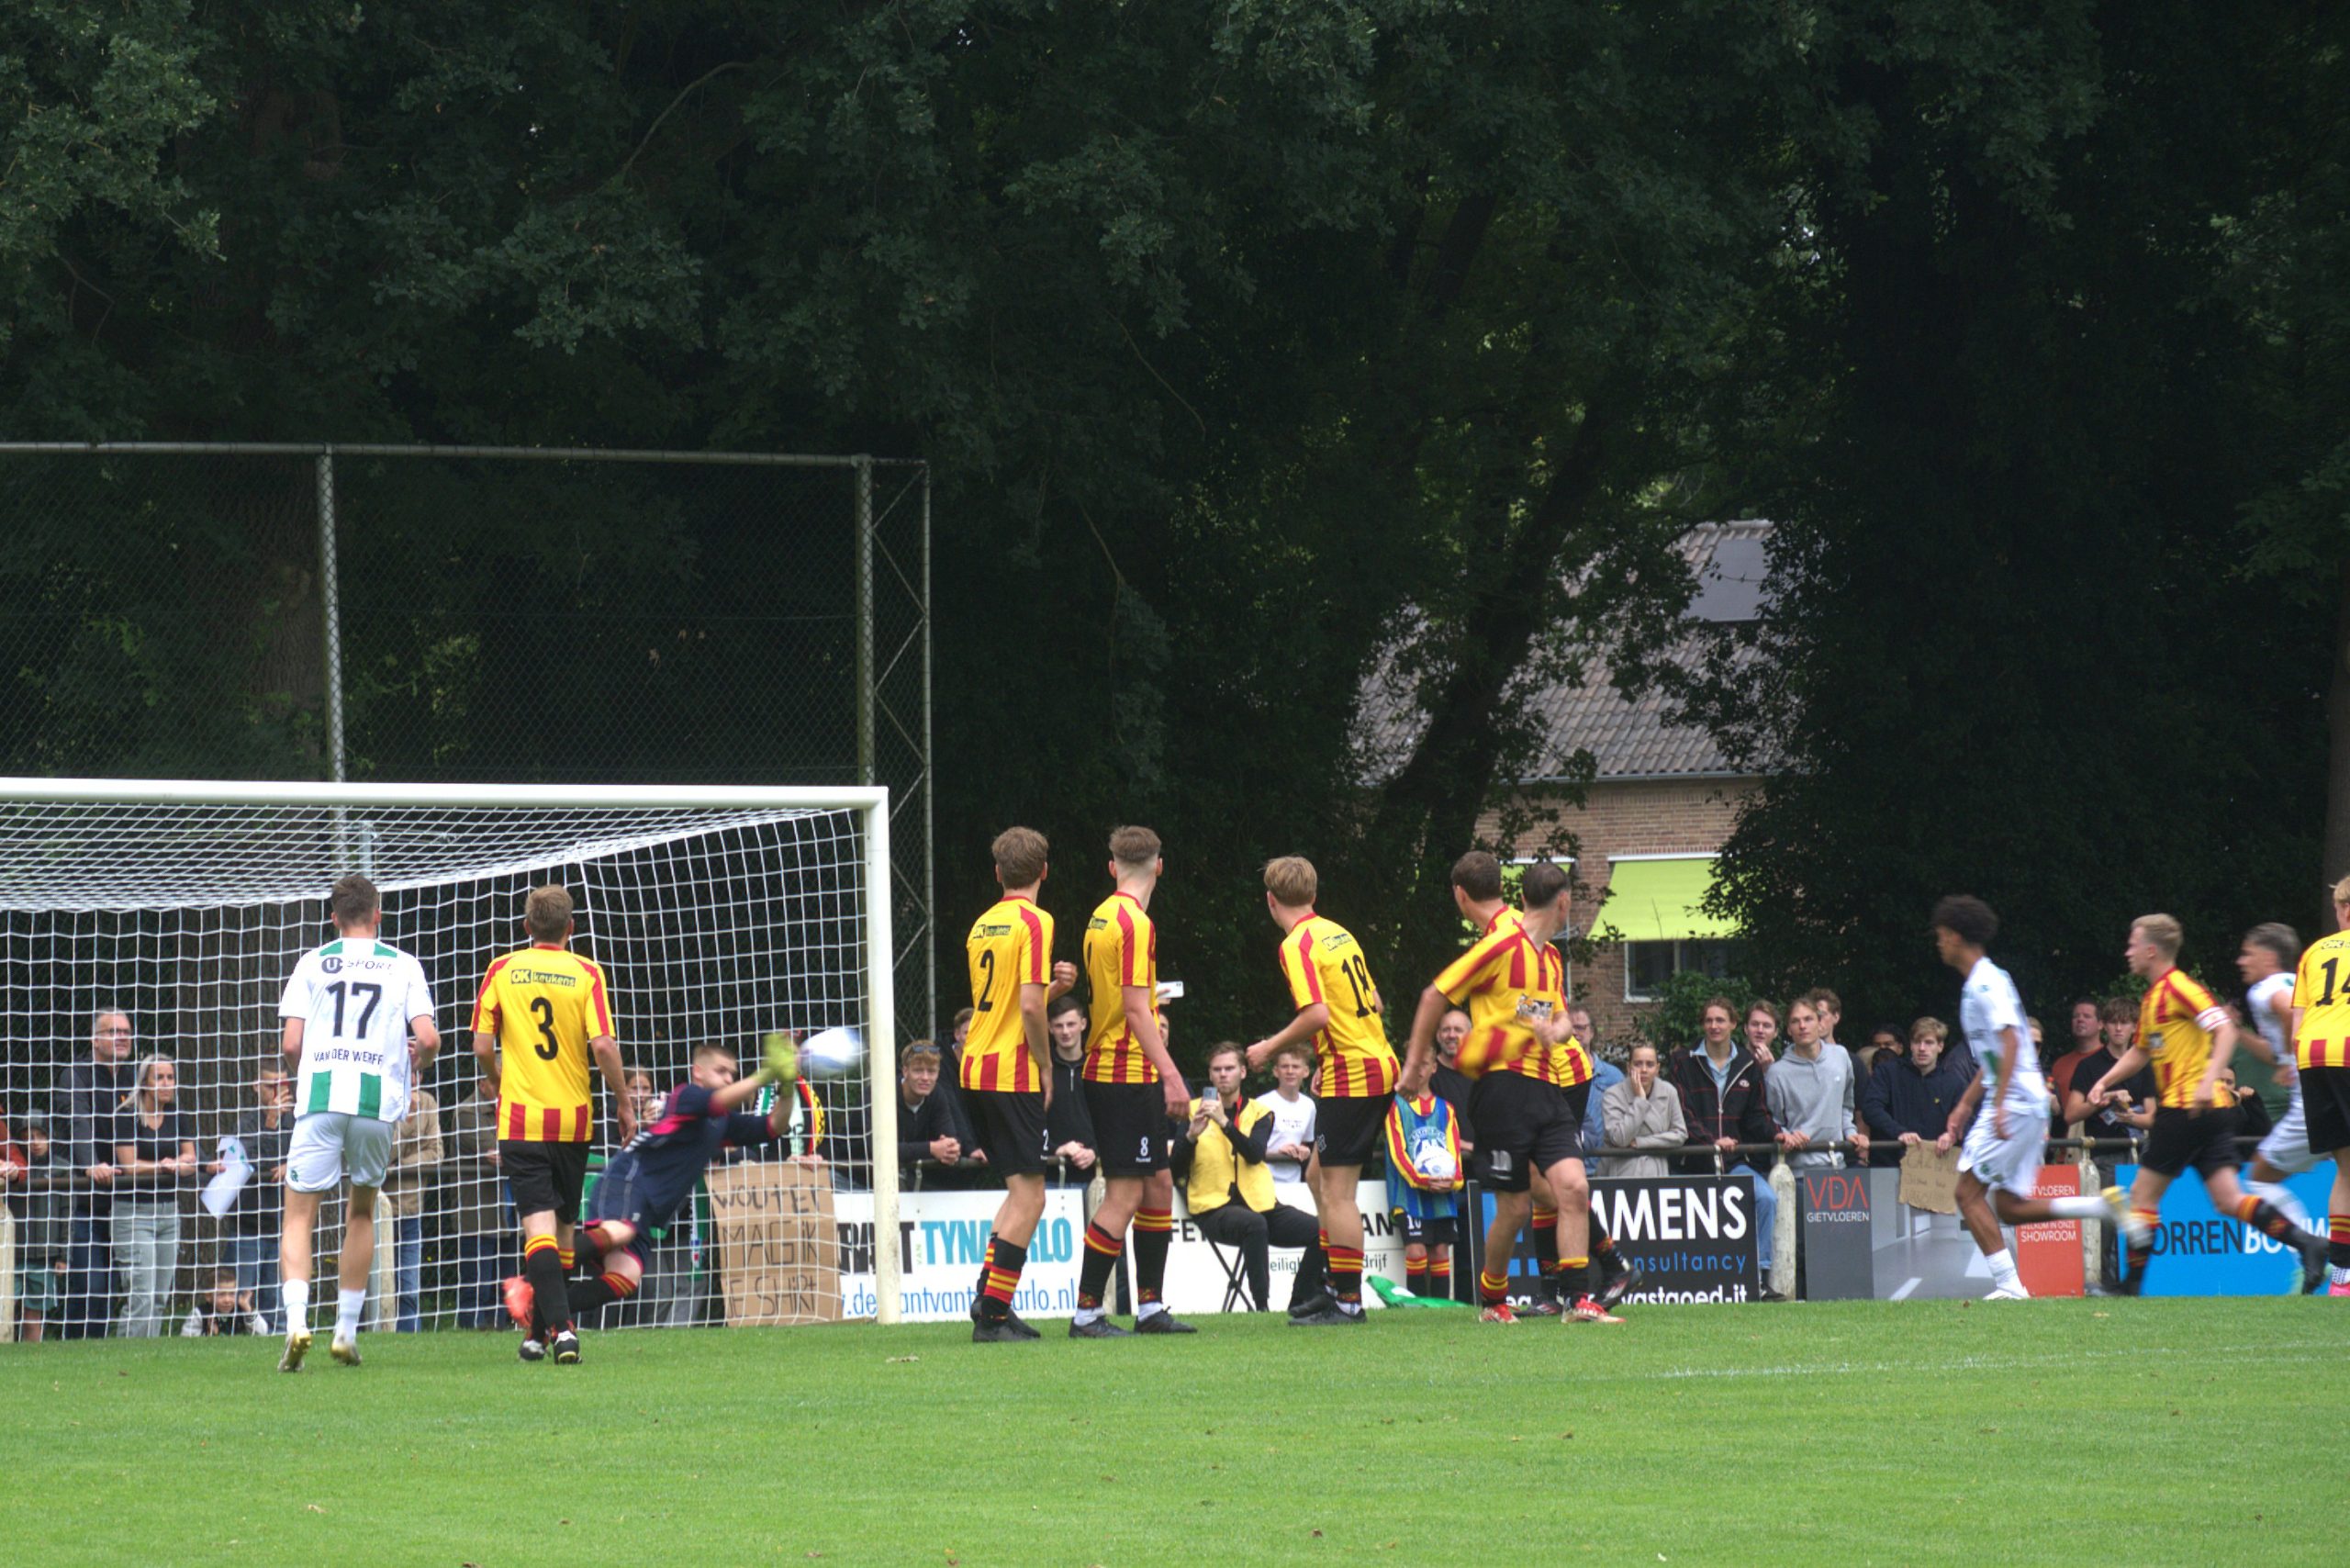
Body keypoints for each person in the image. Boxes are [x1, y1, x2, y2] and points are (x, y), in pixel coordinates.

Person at [1399, 854, 1625, 1324]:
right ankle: (1494, 1300)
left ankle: (1579, 1301)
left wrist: (1558, 1032)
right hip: (1501, 1091)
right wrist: (1412, 1065)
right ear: (1564, 905)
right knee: (1515, 1208)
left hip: (1548, 1087)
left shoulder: (1552, 958)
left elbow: (1560, 1014)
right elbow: (1432, 995)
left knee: (1573, 1188)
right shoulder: (1500, 945)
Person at [2087, 913, 2328, 1294]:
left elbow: (2225, 1029)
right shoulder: (2153, 998)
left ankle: (2131, 1285)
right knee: (2229, 1200)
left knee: (2144, 1199)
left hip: (2187, 1109)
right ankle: (2308, 1242)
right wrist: (2104, 1080)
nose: (2128, 951)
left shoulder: (2181, 988)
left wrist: (2206, 1077)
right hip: (2209, 1114)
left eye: (2133, 944)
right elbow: (2140, 1052)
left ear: (2152, 950)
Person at [280, 873, 441, 1370]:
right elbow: (429, 1040)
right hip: (376, 1104)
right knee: (363, 1213)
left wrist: (301, 1074)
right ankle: (346, 1331)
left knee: (299, 1216)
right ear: (377, 915)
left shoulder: (313, 962)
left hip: (322, 1099)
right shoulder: (403, 965)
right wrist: (418, 1064)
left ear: (333, 917)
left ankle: (297, 1323)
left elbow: (290, 1045)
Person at [1928, 896, 2124, 1299]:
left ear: (1956, 935)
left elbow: (2011, 1041)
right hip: (2022, 1102)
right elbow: (1994, 1055)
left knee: (1967, 1193)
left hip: (2015, 1104)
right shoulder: (1979, 984)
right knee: (2010, 1207)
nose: (1939, 943)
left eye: (1941, 935)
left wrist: (1997, 1105)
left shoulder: (1986, 983)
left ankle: (2009, 1286)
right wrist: (1966, 1104)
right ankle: (2104, 1207)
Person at [475, 882, 629, 1366]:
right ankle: (551, 1333)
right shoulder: (587, 972)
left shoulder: (503, 968)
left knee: (542, 1230)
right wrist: (623, 1102)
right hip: (574, 1121)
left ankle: (551, 1331)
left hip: (521, 1119)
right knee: (562, 1229)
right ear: (571, 928)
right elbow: (603, 1046)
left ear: (526, 927)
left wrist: (498, 1082)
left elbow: (480, 1044)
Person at [1244, 855, 1401, 1325]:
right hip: (1371, 1060)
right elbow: (1372, 999)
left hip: (1355, 1071)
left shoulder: (1296, 944)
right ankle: (1335, 1284)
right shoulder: (1338, 931)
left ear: (1271, 901)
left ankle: (1347, 1300)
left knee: (1338, 1193)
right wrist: (1328, 1056)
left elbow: (1317, 1013)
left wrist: (1269, 1048)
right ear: (1314, 896)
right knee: (1317, 1177)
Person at [565, 1038, 805, 1322]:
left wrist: (787, 1088)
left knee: (625, 1277)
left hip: (648, 1206)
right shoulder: (687, 1096)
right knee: (622, 1232)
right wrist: (765, 1073)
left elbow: (772, 1126)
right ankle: (534, 1277)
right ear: (698, 1072)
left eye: (732, 1073)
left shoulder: (721, 1121)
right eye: (721, 1070)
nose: (729, 1078)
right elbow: (717, 1102)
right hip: (627, 1179)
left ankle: (543, 1308)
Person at [1070, 825, 1194, 1337]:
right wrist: (1173, 1077)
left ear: (1112, 866)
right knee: (1123, 1193)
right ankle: (1087, 1312)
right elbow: (1136, 1011)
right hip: (1122, 1070)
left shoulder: (1101, 915)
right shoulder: (1135, 923)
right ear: (1160, 866)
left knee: (1159, 1182)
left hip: (1121, 1067)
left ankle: (1150, 1307)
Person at [959, 826, 1080, 1341]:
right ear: (1044, 872)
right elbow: (1029, 1009)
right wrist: (1046, 1063)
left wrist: (1054, 988)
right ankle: (992, 1316)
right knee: (1031, 1196)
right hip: (1010, 1070)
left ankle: (990, 1298)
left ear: (997, 873)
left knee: (1016, 1190)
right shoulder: (1036, 920)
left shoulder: (982, 924)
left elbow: (1008, 1002)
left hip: (972, 1067)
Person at [1177, 1043, 1325, 1311]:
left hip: (1261, 1203)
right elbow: (1174, 1168)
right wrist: (1190, 1136)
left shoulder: (1260, 1111)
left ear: (1243, 1072)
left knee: (1323, 1231)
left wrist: (1224, 1123)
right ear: (1210, 1075)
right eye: (1217, 1070)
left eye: (1229, 1068)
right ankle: (1261, 1307)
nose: (1223, 1074)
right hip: (1212, 1208)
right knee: (1253, 1225)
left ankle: (1300, 1301)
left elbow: (1255, 1154)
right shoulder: (1191, 1110)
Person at [1667, 996, 1782, 1298]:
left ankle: (1757, 1276)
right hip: (1691, 1161)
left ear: (1733, 1024)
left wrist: (1779, 1134)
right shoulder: (1683, 1060)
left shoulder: (1748, 1063)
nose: (1714, 1026)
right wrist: (1709, 1142)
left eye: (1720, 1020)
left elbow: (1757, 1115)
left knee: (1766, 1198)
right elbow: (1682, 1113)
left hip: (1733, 1161)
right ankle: (1680, 1284)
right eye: (1709, 1020)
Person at [2234, 923, 2322, 1242]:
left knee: (2259, 1177)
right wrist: (2239, 1034)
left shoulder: (2266, 988)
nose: (2240, 961)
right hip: (2328, 1089)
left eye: (2247, 954)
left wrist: (2290, 1057)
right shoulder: (2300, 983)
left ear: (2269, 957)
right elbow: (2273, 1054)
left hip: (2311, 1102)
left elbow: (2287, 1012)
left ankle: (2308, 1250)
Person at [55, 1008, 137, 1337]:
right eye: (112, 1031)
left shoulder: (135, 1077)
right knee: (90, 1286)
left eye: (125, 1031)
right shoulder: (75, 1074)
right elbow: (78, 1122)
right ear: (94, 1039)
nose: (121, 1037)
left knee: (117, 1289)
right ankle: (74, 1351)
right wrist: (90, 1163)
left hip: (127, 1203)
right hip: (84, 1202)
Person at [2287, 876, 2350, 1294]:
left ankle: (2342, 1278)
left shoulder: (2313, 952)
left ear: (2340, 908)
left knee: (2346, 1171)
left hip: (2312, 1055)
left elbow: (2295, 1026)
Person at [109, 1054, 196, 1338]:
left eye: (170, 1077)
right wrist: (163, 1165)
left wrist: (179, 1164)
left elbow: (189, 1158)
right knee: (141, 1295)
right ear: (145, 1082)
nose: (167, 1083)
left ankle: (150, 1355)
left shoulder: (179, 1115)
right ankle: (127, 1356)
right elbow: (129, 1165)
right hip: (134, 1213)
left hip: (169, 1212)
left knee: (159, 1296)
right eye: (159, 1078)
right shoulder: (127, 1114)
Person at [210, 1064, 293, 1329]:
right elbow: (248, 1166)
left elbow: (315, 1158)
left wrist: (293, 1165)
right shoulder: (245, 1124)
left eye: (283, 1086)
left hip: (283, 1228)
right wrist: (269, 1124)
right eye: (272, 1086)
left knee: (278, 1309)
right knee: (238, 1305)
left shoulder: (298, 1122)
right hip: (247, 1230)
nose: (278, 1092)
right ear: (257, 1087)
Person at [1765, 997, 1866, 1170]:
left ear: (1819, 1023)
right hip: (1795, 1169)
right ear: (1789, 1029)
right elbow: (1772, 1120)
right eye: (1795, 1021)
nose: (1802, 1026)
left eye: (1808, 1019)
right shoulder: (1777, 1072)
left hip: (1837, 1165)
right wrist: (1785, 1135)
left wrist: (1850, 1132)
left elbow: (1846, 1105)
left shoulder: (1841, 1057)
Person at [1384, 1084, 1465, 1298]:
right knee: (1416, 1251)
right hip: (1408, 1194)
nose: (1419, 1070)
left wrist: (1455, 1181)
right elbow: (1397, 1152)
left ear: (1433, 1067)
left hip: (1442, 1194)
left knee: (1440, 1252)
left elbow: (1454, 1152)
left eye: (1425, 1063)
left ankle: (1439, 1311)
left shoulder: (1445, 1109)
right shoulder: (1395, 1105)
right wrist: (1421, 1179)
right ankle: (1416, 1310)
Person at [375, 1081, 442, 1331]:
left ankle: (408, 1338)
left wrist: (399, 1167)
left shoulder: (428, 1102)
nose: (414, 1078)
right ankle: (375, 1335)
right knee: (379, 1285)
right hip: (381, 1212)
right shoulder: (383, 1098)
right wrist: (406, 1121)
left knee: (410, 1287)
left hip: (413, 1210)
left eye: (418, 1072)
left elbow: (436, 1153)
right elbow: (382, 1155)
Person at [442, 1076, 509, 1328]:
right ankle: (469, 1337)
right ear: (483, 1082)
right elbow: (497, 1153)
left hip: (509, 1214)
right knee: (476, 1289)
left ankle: (498, 1340)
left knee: (505, 1290)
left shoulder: (513, 1109)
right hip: (477, 1215)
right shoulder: (467, 1113)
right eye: (499, 1082)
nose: (505, 1088)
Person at [1860, 1017, 1974, 1167]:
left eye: (1929, 1043)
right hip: (1888, 1165)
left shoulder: (1954, 1083)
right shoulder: (1888, 1073)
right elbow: (1871, 1109)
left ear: (1940, 1046)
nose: (1922, 1048)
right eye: (1916, 1042)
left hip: (1934, 1169)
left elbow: (1967, 1120)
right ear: (1910, 1045)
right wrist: (1899, 1132)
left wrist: (1952, 1136)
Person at [7, 1112, 69, 1340]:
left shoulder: (62, 1169)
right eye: (28, 1136)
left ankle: (32, 1358)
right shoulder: (11, 1170)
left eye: (40, 1135)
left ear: (50, 1137)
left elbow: (67, 1214)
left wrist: (63, 1253)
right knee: (5, 1308)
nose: (34, 1142)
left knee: (33, 1314)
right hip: (11, 1256)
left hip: (44, 1255)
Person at [1600, 1044, 1685, 1178]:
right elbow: (1620, 1138)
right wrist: (1640, 1100)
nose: (1644, 1070)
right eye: (1638, 1064)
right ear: (1629, 1067)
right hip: (1623, 1173)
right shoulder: (1613, 1095)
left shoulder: (1669, 1092)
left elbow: (1680, 1134)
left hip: (1658, 1173)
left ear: (1658, 1069)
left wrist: (1640, 1142)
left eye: (1650, 1064)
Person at [1043, 995, 1098, 1183]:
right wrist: (1055, 1149)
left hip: (1095, 1174)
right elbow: (1030, 1121)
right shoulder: (1041, 1069)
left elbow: (1113, 1119)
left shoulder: (1098, 1067)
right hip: (1050, 1173)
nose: (1065, 1031)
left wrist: (1095, 1151)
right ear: (1050, 1028)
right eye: (1059, 1026)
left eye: (1071, 1024)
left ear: (1083, 1024)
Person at [896, 1040, 969, 1179]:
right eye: (918, 1071)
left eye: (931, 1071)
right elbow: (877, 1150)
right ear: (905, 1071)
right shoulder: (882, 1095)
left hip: (909, 1179)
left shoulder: (937, 1094)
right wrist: (931, 1148)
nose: (925, 1078)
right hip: (854, 1178)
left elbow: (949, 1138)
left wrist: (952, 1148)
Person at [1251, 1043, 1316, 1187]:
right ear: (1276, 1071)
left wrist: (1304, 1150)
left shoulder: (1309, 1106)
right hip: (1263, 1183)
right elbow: (1249, 1146)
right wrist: (1278, 1152)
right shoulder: (1262, 1104)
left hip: (1294, 1183)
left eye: (1296, 1066)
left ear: (1306, 1072)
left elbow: (1305, 1141)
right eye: (1284, 1066)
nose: (1290, 1071)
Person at [2045, 998, 2104, 1145]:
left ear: (2101, 1024)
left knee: (2126, 1168)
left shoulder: (2111, 1060)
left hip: (2107, 1143)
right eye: (2076, 1016)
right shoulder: (2060, 1064)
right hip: (2067, 1144)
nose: (2080, 1020)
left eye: (2087, 1016)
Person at [1430, 1008, 1477, 1159]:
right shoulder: (1427, 1075)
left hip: (1483, 1165)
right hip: (1442, 1163)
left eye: (1458, 1030)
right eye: (1446, 1030)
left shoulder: (1483, 1075)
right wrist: (1467, 1146)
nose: (1451, 1035)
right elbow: (1423, 1126)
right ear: (1438, 1036)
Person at [179, 1267, 270, 1337]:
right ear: (208, 1296)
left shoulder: (241, 1311)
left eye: (231, 1294)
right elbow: (186, 1339)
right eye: (221, 1294)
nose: (227, 1300)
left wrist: (248, 1309)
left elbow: (262, 1332)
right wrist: (208, 1334)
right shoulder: (200, 1314)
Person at [1743, 999, 1782, 1067]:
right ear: (1746, 1029)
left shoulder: (1781, 1069)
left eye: (1766, 1026)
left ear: (1776, 1032)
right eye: (1755, 1024)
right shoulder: (1731, 1063)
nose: (1760, 1030)